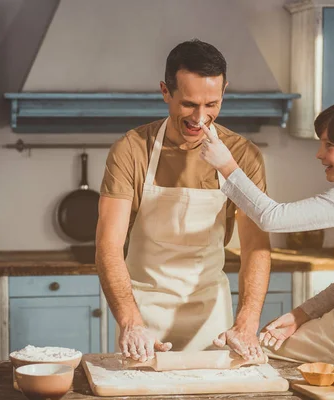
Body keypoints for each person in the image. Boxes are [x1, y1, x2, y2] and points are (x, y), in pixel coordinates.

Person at [200, 96, 334, 367]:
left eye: (329, 145)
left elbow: (272, 218)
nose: (319, 154)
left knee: (260, 352)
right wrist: (300, 315)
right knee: (270, 345)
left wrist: (226, 165)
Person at [95, 39, 272, 362]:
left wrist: (247, 323)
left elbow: (255, 246)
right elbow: (108, 245)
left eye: (212, 104)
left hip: (211, 317)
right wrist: (131, 322)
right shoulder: (132, 150)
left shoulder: (243, 156)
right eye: (189, 104)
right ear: (166, 91)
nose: (201, 118)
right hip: (142, 314)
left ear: (224, 92)